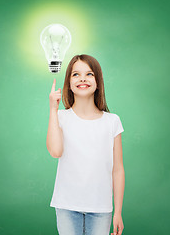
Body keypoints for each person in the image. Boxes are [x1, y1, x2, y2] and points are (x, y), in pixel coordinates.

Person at [46, 54, 125, 235]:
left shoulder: (112, 121)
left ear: (98, 82)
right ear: (68, 83)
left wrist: (118, 212)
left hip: (101, 208)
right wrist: (52, 109)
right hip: (66, 205)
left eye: (89, 74)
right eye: (76, 74)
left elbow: (118, 169)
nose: (82, 78)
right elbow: (56, 151)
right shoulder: (60, 117)